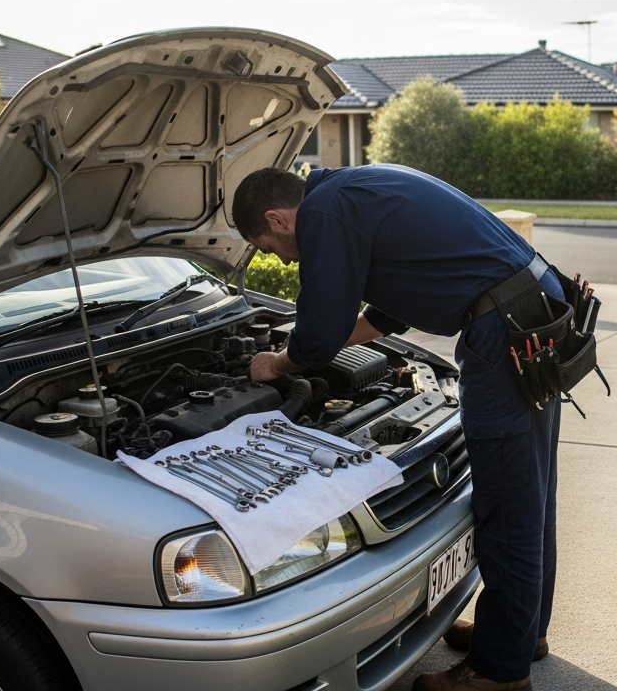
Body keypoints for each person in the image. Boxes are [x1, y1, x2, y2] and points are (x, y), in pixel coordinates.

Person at [233, 164, 561, 691]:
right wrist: (334, 342)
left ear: (277, 218)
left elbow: (315, 337)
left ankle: (499, 672)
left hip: (502, 331)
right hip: (531, 313)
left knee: (508, 501)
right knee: (531, 492)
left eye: (268, 247)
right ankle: (519, 635)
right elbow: (388, 314)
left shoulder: (324, 212)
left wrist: (277, 363)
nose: (279, 258)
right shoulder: (352, 189)